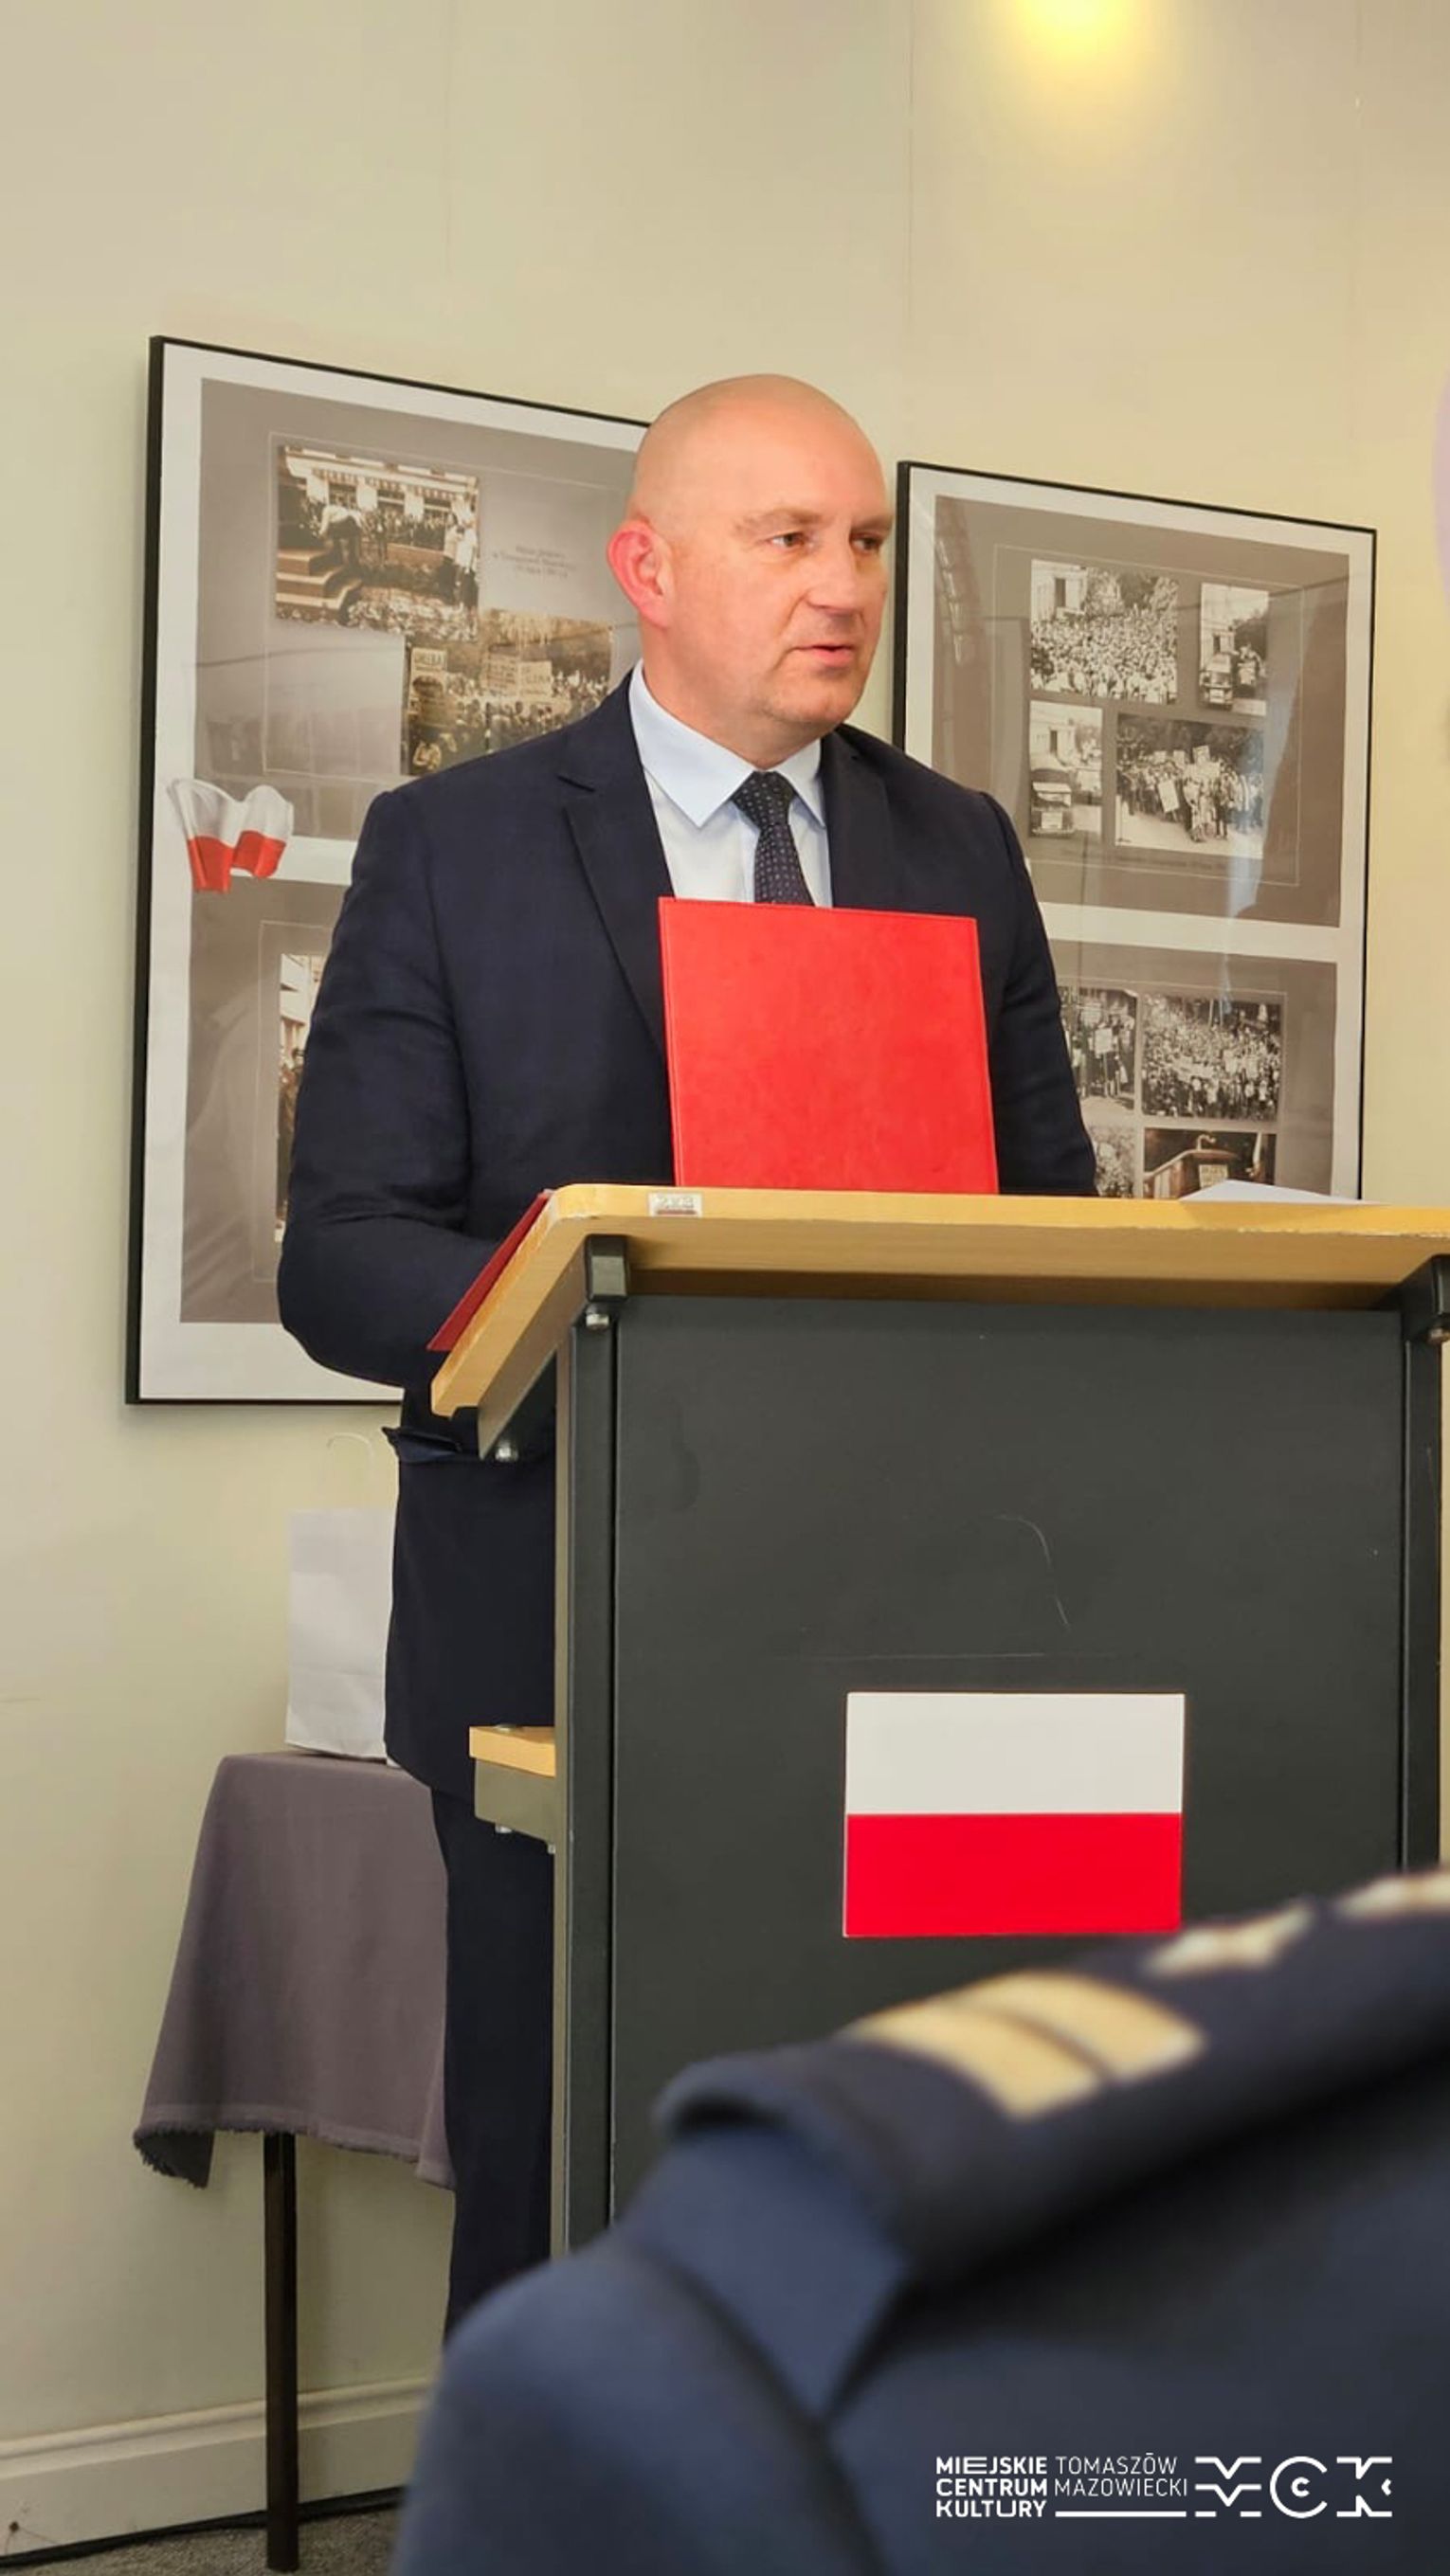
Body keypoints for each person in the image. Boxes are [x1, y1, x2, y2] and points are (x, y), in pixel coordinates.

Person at [278, 374, 1095, 2333]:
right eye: (787, 539)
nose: (844, 585)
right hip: (560, 1630)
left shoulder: (960, 845)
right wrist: (601, 1300)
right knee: (570, 2182)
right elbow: (345, 1255)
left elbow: (1056, 1225)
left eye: (865, 541)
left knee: (894, 2189)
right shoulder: (456, 844)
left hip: (909, 1624)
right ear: (646, 568)